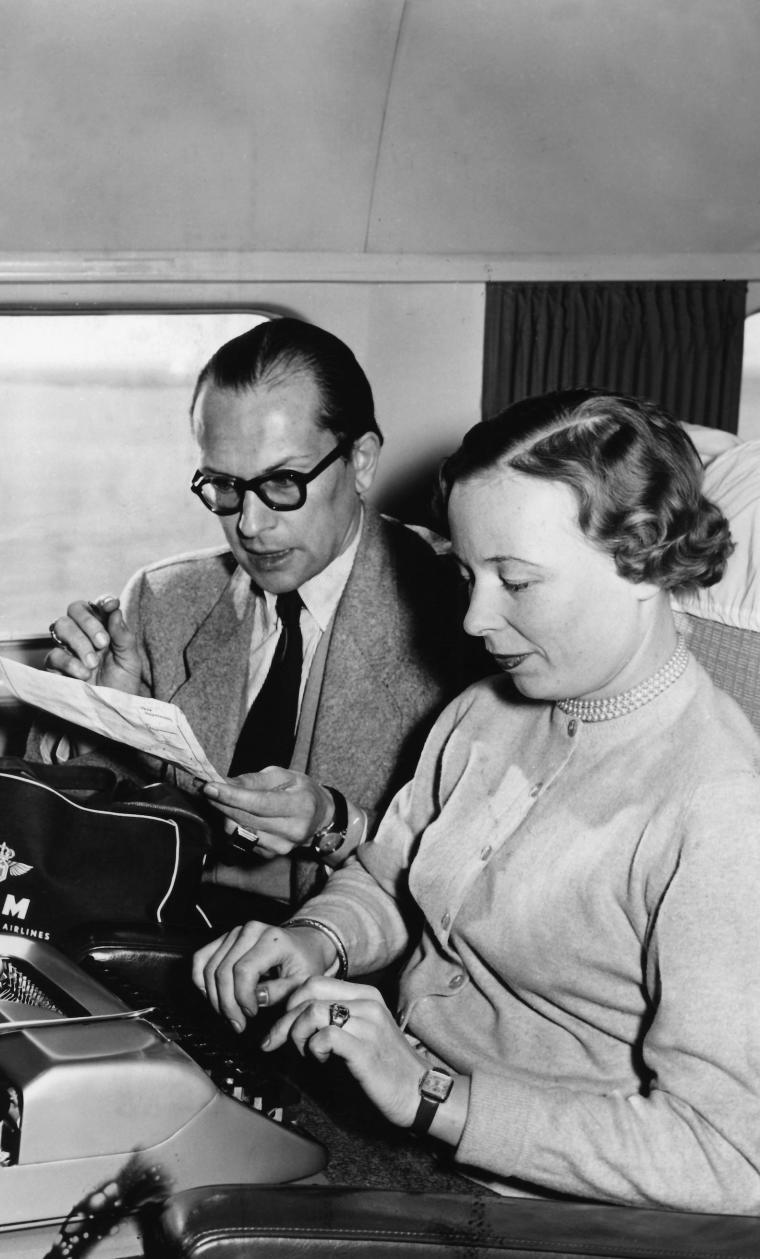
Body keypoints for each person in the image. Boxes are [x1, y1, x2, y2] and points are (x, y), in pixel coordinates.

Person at [193, 389, 760, 1213]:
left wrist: (434, 1094)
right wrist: (318, 941)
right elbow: (394, 873)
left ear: (641, 559)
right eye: (467, 572)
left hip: (541, 1208)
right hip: (398, 1120)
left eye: (517, 581)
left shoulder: (721, 811)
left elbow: (731, 1157)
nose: (475, 616)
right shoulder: (489, 708)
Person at [38, 317, 472, 913]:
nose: (249, 525)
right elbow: (90, 832)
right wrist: (97, 717)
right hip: (163, 929)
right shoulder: (164, 600)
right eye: (224, 485)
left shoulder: (465, 614)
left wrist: (337, 826)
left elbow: (478, 873)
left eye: (284, 481)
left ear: (362, 462)